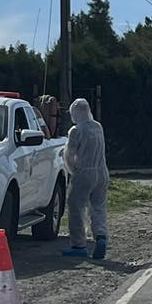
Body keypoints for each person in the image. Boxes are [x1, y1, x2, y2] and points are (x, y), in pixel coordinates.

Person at [63, 96, 110, 261]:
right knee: (98, 207)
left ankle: (79, 245)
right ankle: (101, 237)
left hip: (84, 173)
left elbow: (70, 154)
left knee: (76, 207)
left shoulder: (76, 130)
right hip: (102, 172)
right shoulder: (98, 126)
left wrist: (72, 169)